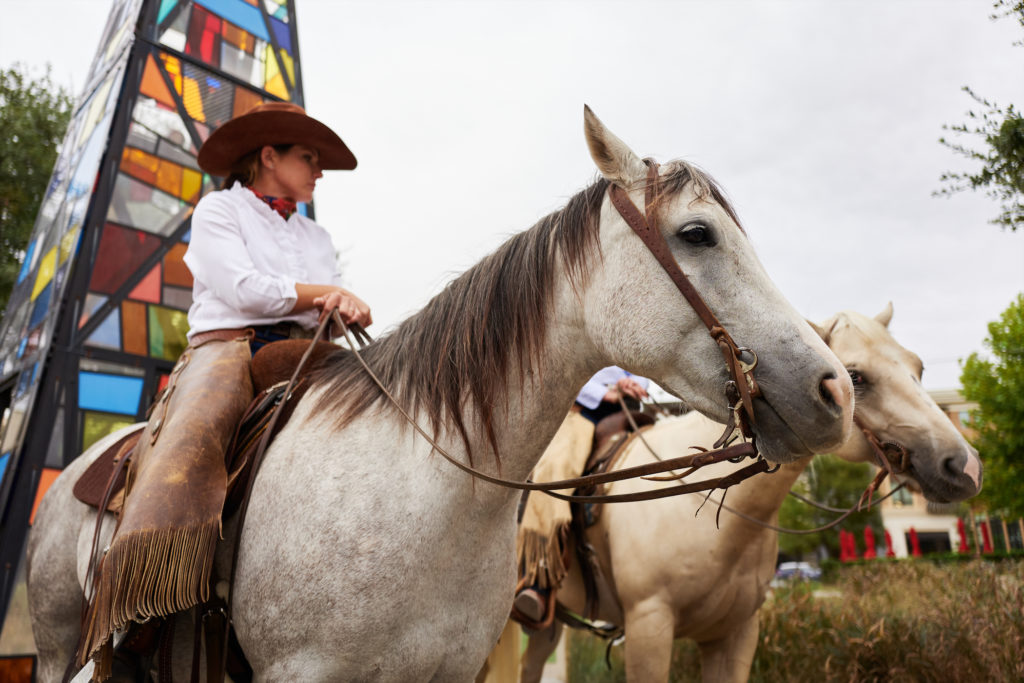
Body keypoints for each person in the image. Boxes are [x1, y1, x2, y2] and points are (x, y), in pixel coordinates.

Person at [79, 101, 371, 678]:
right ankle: (138, 615)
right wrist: (323, 293)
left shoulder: (317, 233)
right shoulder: (218, 210)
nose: (318, 171)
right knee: (192, 451)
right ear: (269, 157)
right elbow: (242, 290)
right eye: (308, 157)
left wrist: (338, 308)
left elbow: (317, 307)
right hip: (227, 348)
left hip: (303, 350)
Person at [513, 367, 649, 628]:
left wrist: (634, 383)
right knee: (556, 471)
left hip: (631, 410)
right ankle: (537, 579)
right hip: (583, 411)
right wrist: (606, 392)